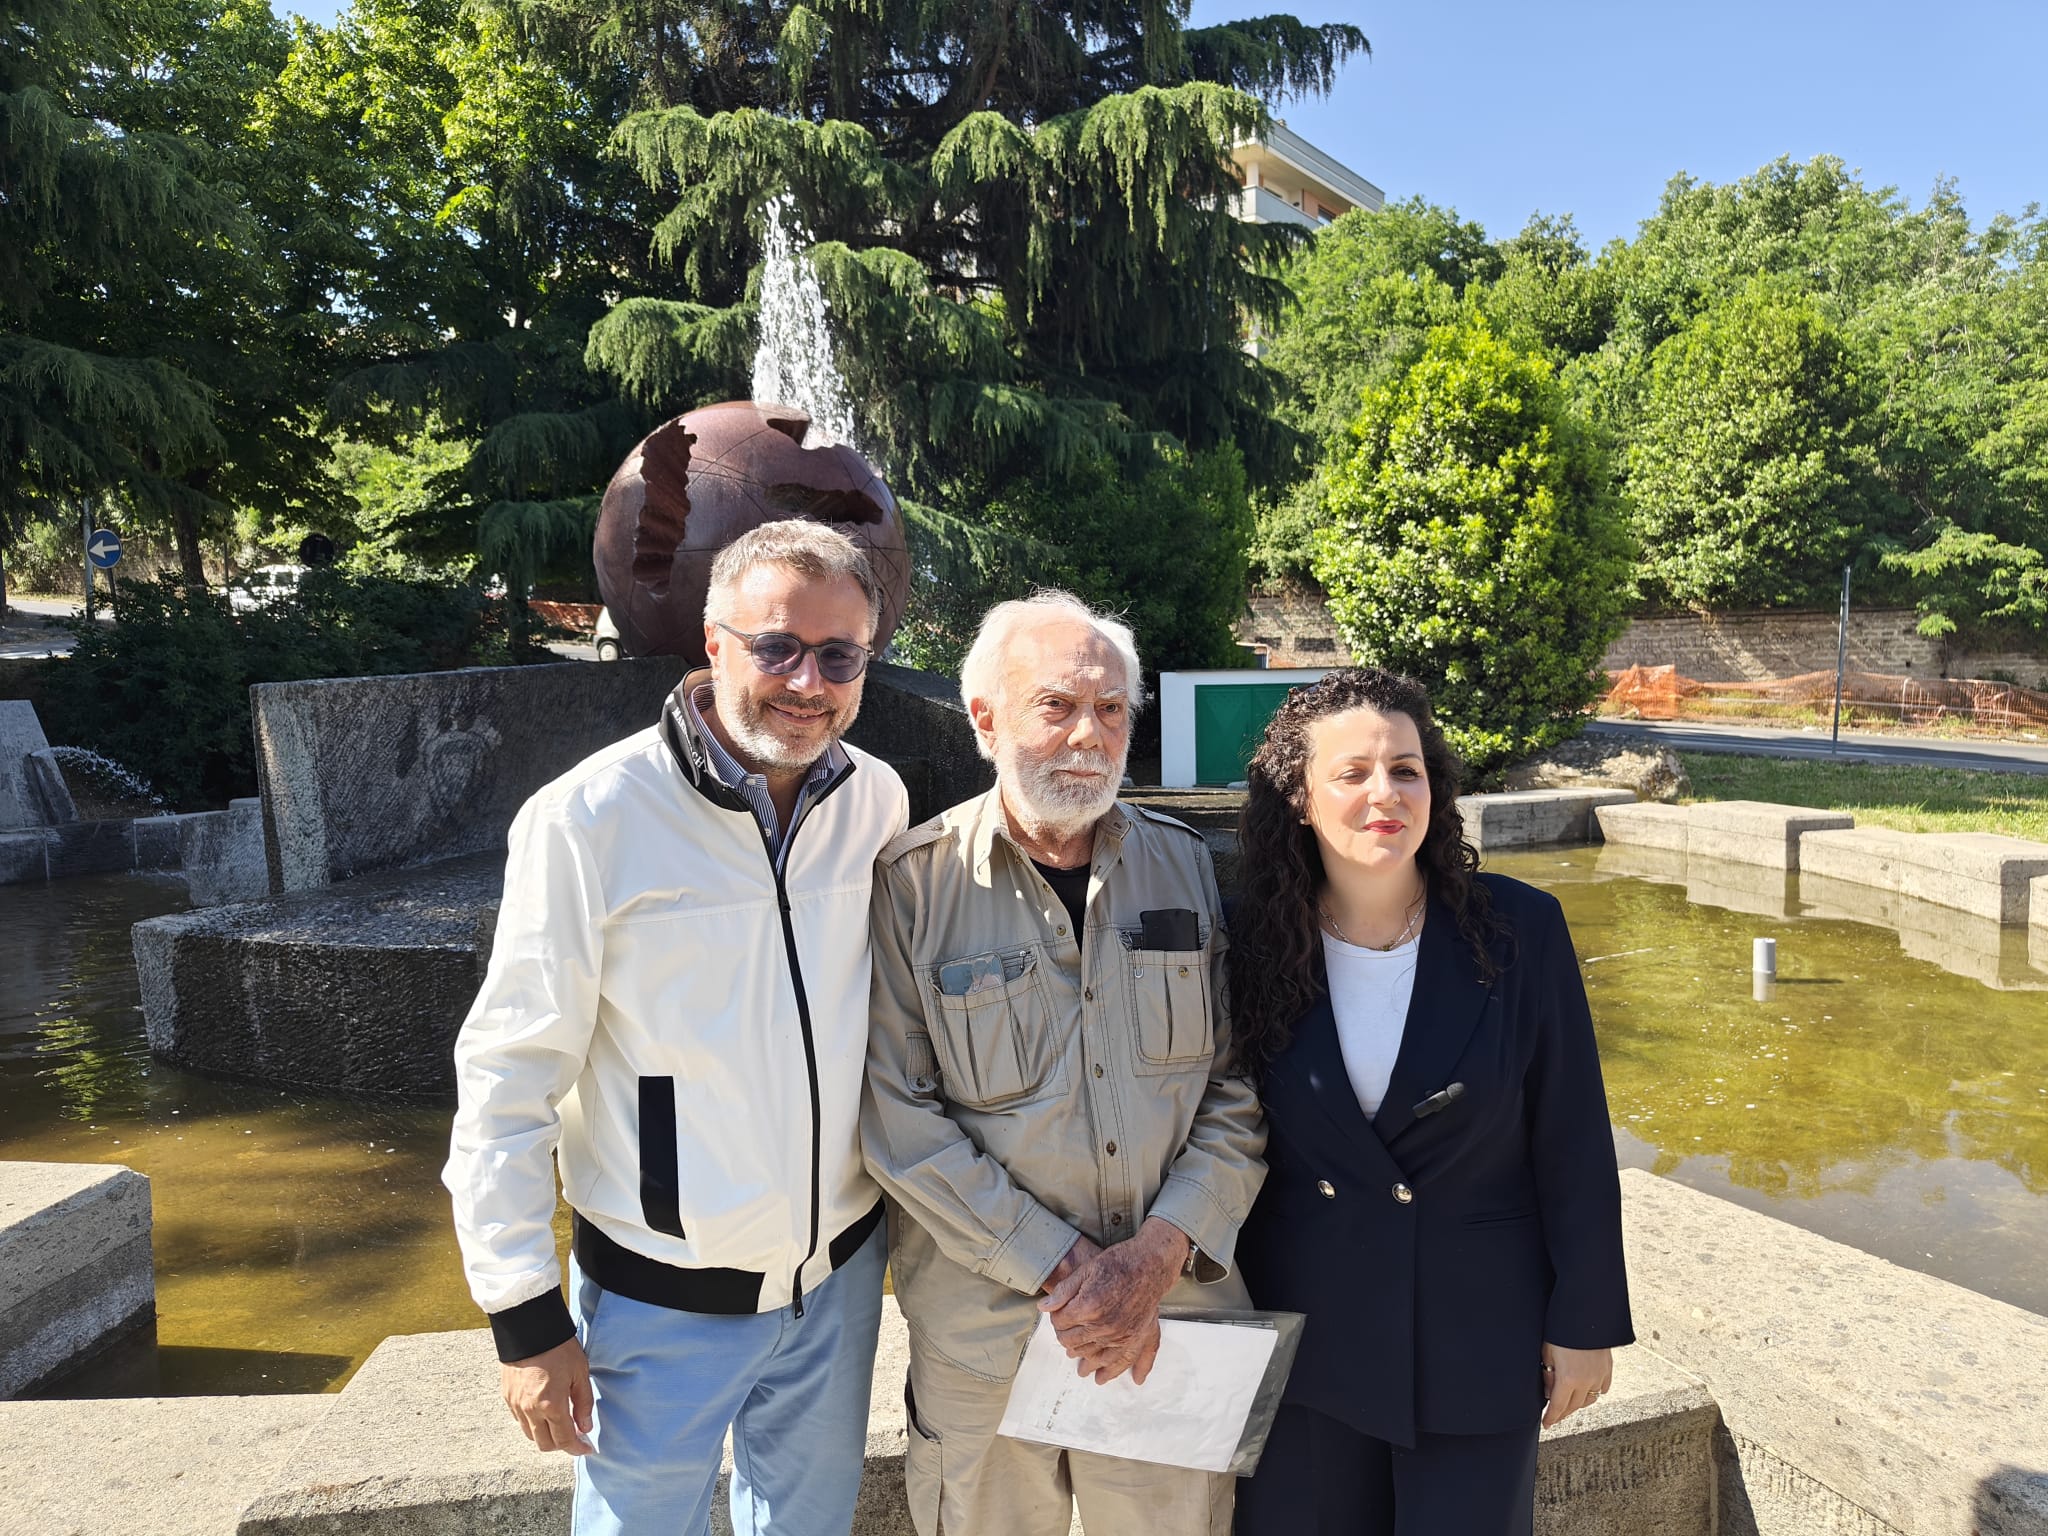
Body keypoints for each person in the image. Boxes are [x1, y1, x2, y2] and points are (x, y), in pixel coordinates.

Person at [443, 519, 910, 1536]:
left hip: (835, 1279)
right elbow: (506, 1077)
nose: (806, 681)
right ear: (712, 643)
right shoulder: (588, 818)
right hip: (658, 1299)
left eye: (838, 656)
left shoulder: (876, 800)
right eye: (775, 647)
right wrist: (524, 1320)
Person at [862, 590, 1266, 1536]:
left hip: (1170, 1326)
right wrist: (1072, 1272)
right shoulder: (910, 886)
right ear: (986, 718)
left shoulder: (1184, 865)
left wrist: (1158, 1257)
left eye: (1112, 709)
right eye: (1057, 705)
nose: (1089, 734)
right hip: (987, 1345)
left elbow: (1236, 1087)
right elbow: (898, 1122)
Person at [1227, 667, 1633, 1536]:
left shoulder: (1522, 929)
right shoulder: (1243, 944)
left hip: (1479, 1332)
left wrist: (1585, 1320)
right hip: (1304, 1337)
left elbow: (1572, 1138)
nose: (1386, 794)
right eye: (1354, 773)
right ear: (1300, 797)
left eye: (1406, 770)